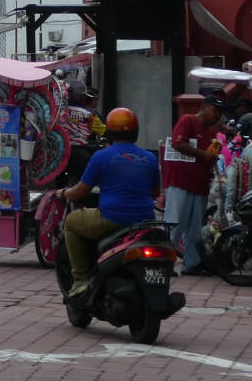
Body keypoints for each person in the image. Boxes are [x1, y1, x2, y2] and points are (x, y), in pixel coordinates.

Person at [58, 106, 162, 298]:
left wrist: (65, 193)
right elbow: (155, 192)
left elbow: (81, 191)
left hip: (112, 218)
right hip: (145, 221)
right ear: (136, 132)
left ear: (110, 131)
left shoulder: (101, 156)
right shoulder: (150, 158)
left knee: (72, 222)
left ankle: (81, 278)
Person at [162, 93, 223, 276]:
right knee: (175, 225)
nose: (217, 116)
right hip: (181, 182)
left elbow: (208, 158)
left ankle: (192, 263)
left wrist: (212, 158)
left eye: (220, 112)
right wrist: (202, 154)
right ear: (204, 108)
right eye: (215, 111)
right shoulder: (188, 121)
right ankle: (164, 263)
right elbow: (177, 143)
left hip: (200, 184)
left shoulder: (211, 133)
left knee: (195, 229)